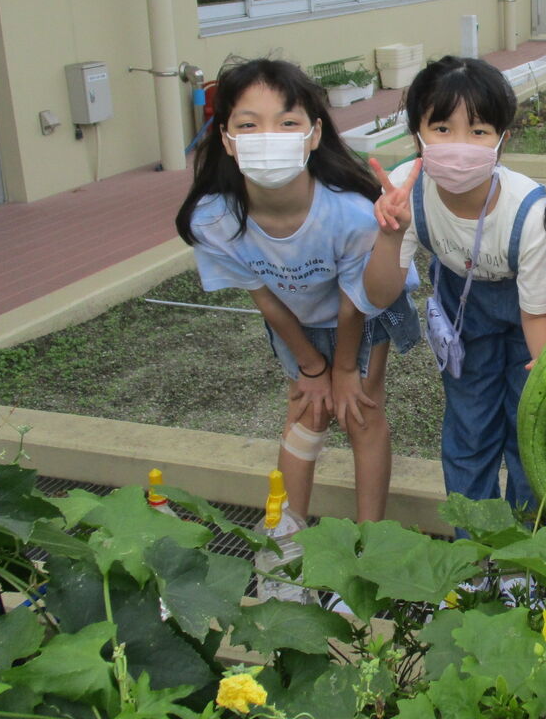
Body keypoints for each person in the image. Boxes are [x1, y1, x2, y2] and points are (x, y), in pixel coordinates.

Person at [174, 58, 419, 522]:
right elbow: (264, 297)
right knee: (306, 414)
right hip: (296, 316)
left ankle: (369, 546)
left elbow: (356, 301)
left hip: (363, 312)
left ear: (314, 134)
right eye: (249, 124)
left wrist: (343, 367)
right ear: (225, 138)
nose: (269, 137)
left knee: (360, 416)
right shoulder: (214, 219)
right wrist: (311, 366)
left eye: (288, 123)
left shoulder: (350, 214)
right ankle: (285, 536)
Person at [363, 56, 546, 511]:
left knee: (529, 432)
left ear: (501, 141)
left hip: (531, 313)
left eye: (479, 131)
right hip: (461, 307)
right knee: (469, 430)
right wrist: (389, 238)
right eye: (442, 128)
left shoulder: (528, 212)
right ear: (417, 135)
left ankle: (526, 561)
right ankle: (477, 555)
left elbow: (537, 314)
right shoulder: (404, 191)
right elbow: (379, 294)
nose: (460, 144)